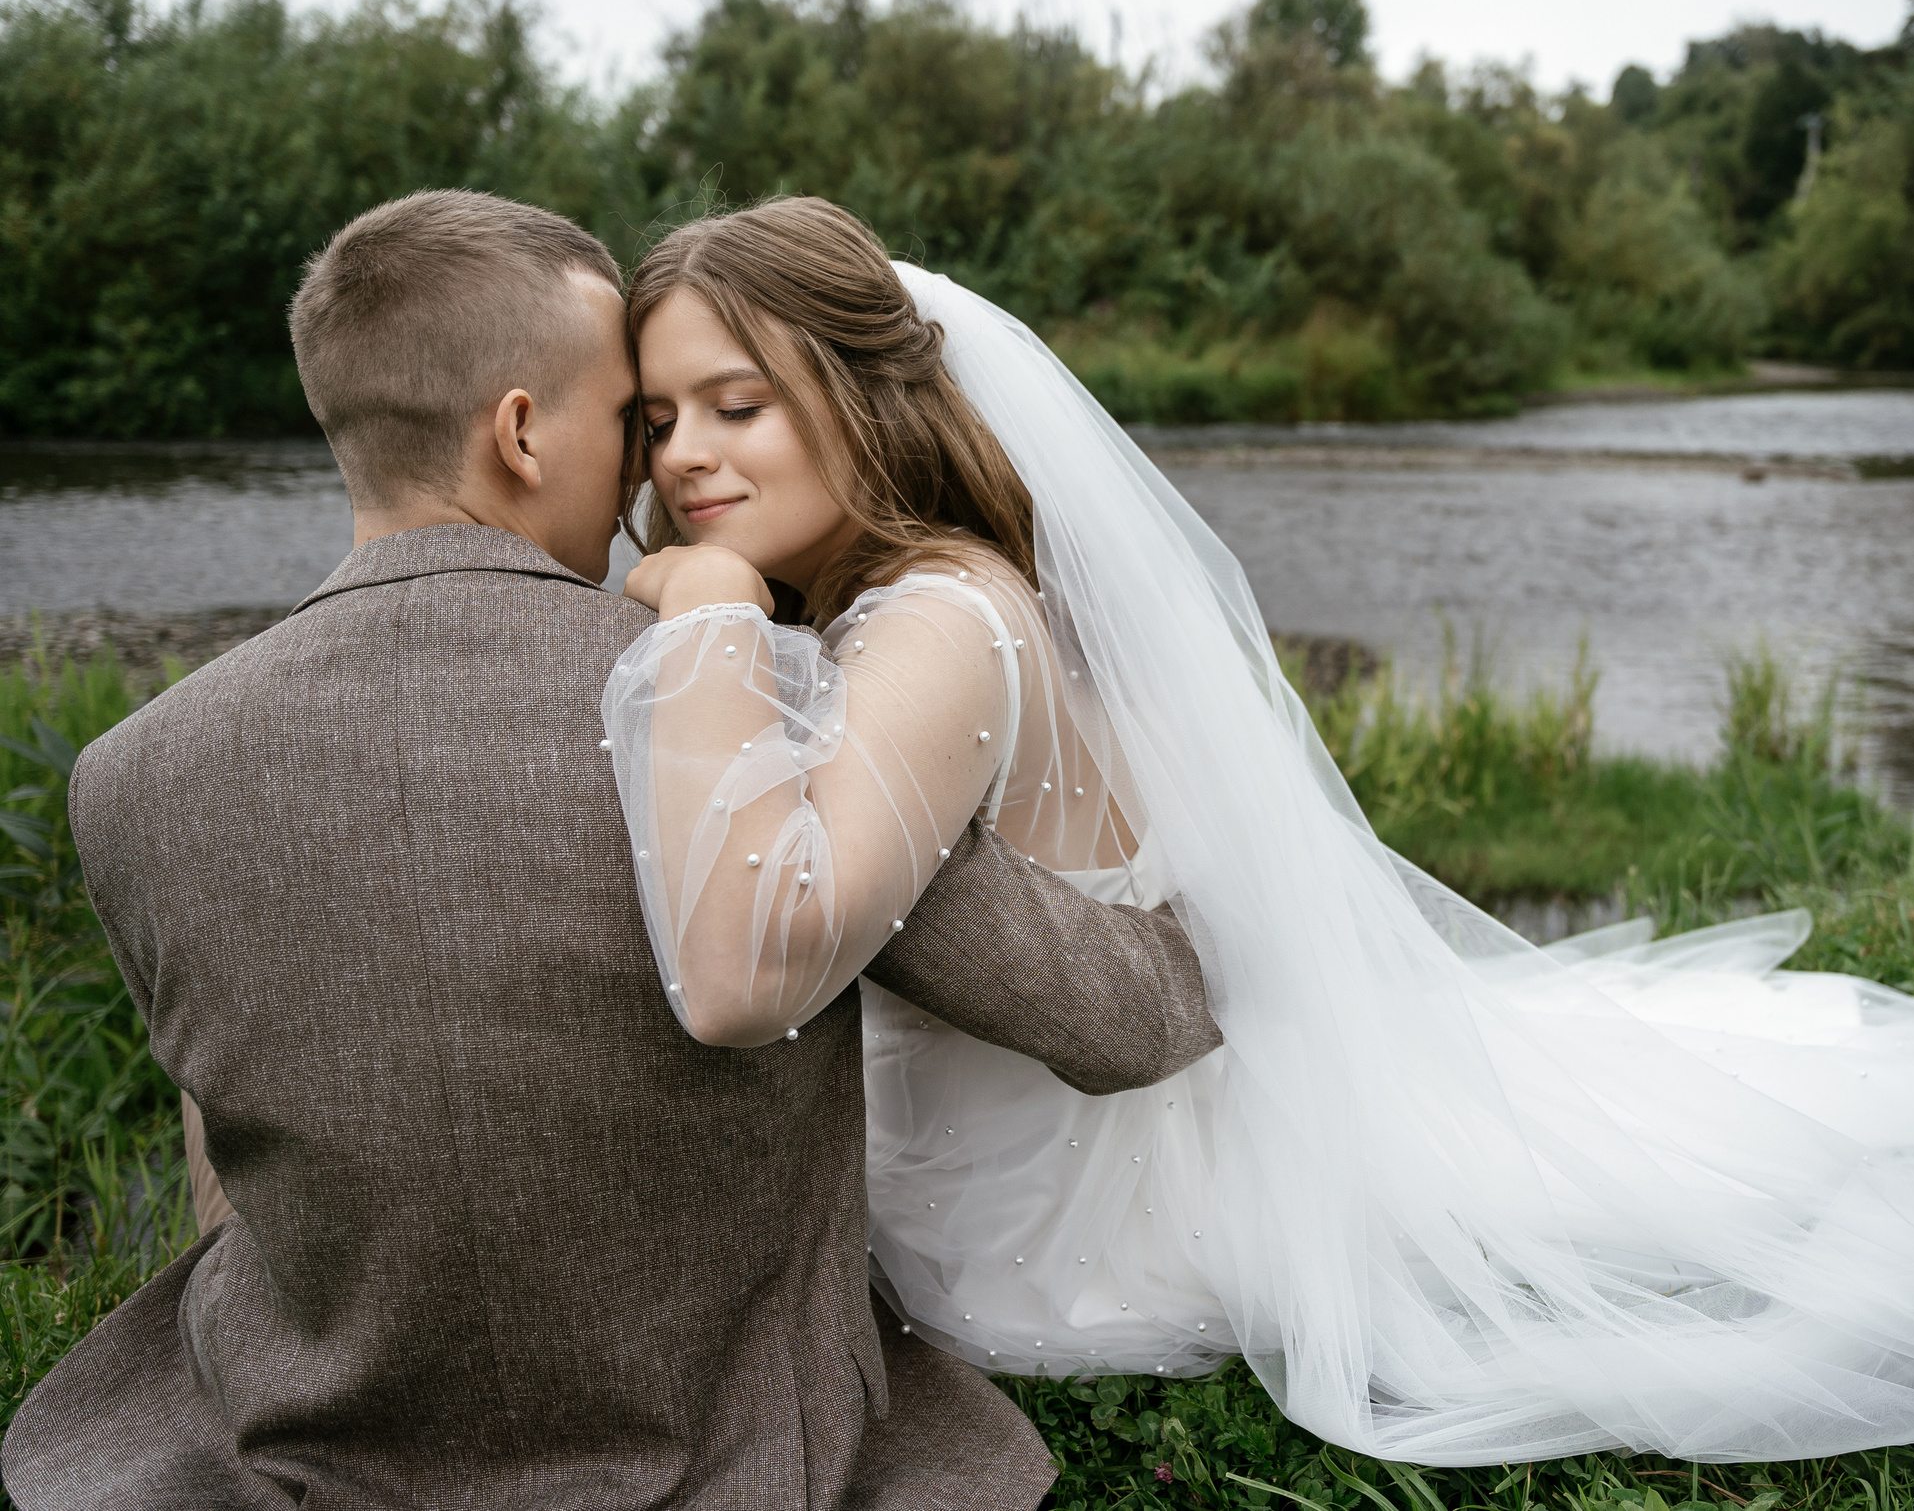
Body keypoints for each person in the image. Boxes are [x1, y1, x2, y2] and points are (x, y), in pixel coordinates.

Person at [610, 195, 1914, 1468]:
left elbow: (775, 937)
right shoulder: (934, 588)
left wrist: (701, 612)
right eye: (660, 417)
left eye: (736, 405)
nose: (684, 458)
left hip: (1048, 1225)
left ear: (865, 394)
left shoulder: (934, 623)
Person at [1, 190, 1222, 1511]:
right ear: (523, 431)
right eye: (634, 421)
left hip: (303, 1437)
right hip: (733, 1446)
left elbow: (224, 1143)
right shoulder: (743, 712)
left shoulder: (134, 772)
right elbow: (1119, 1013)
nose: (658, 473)